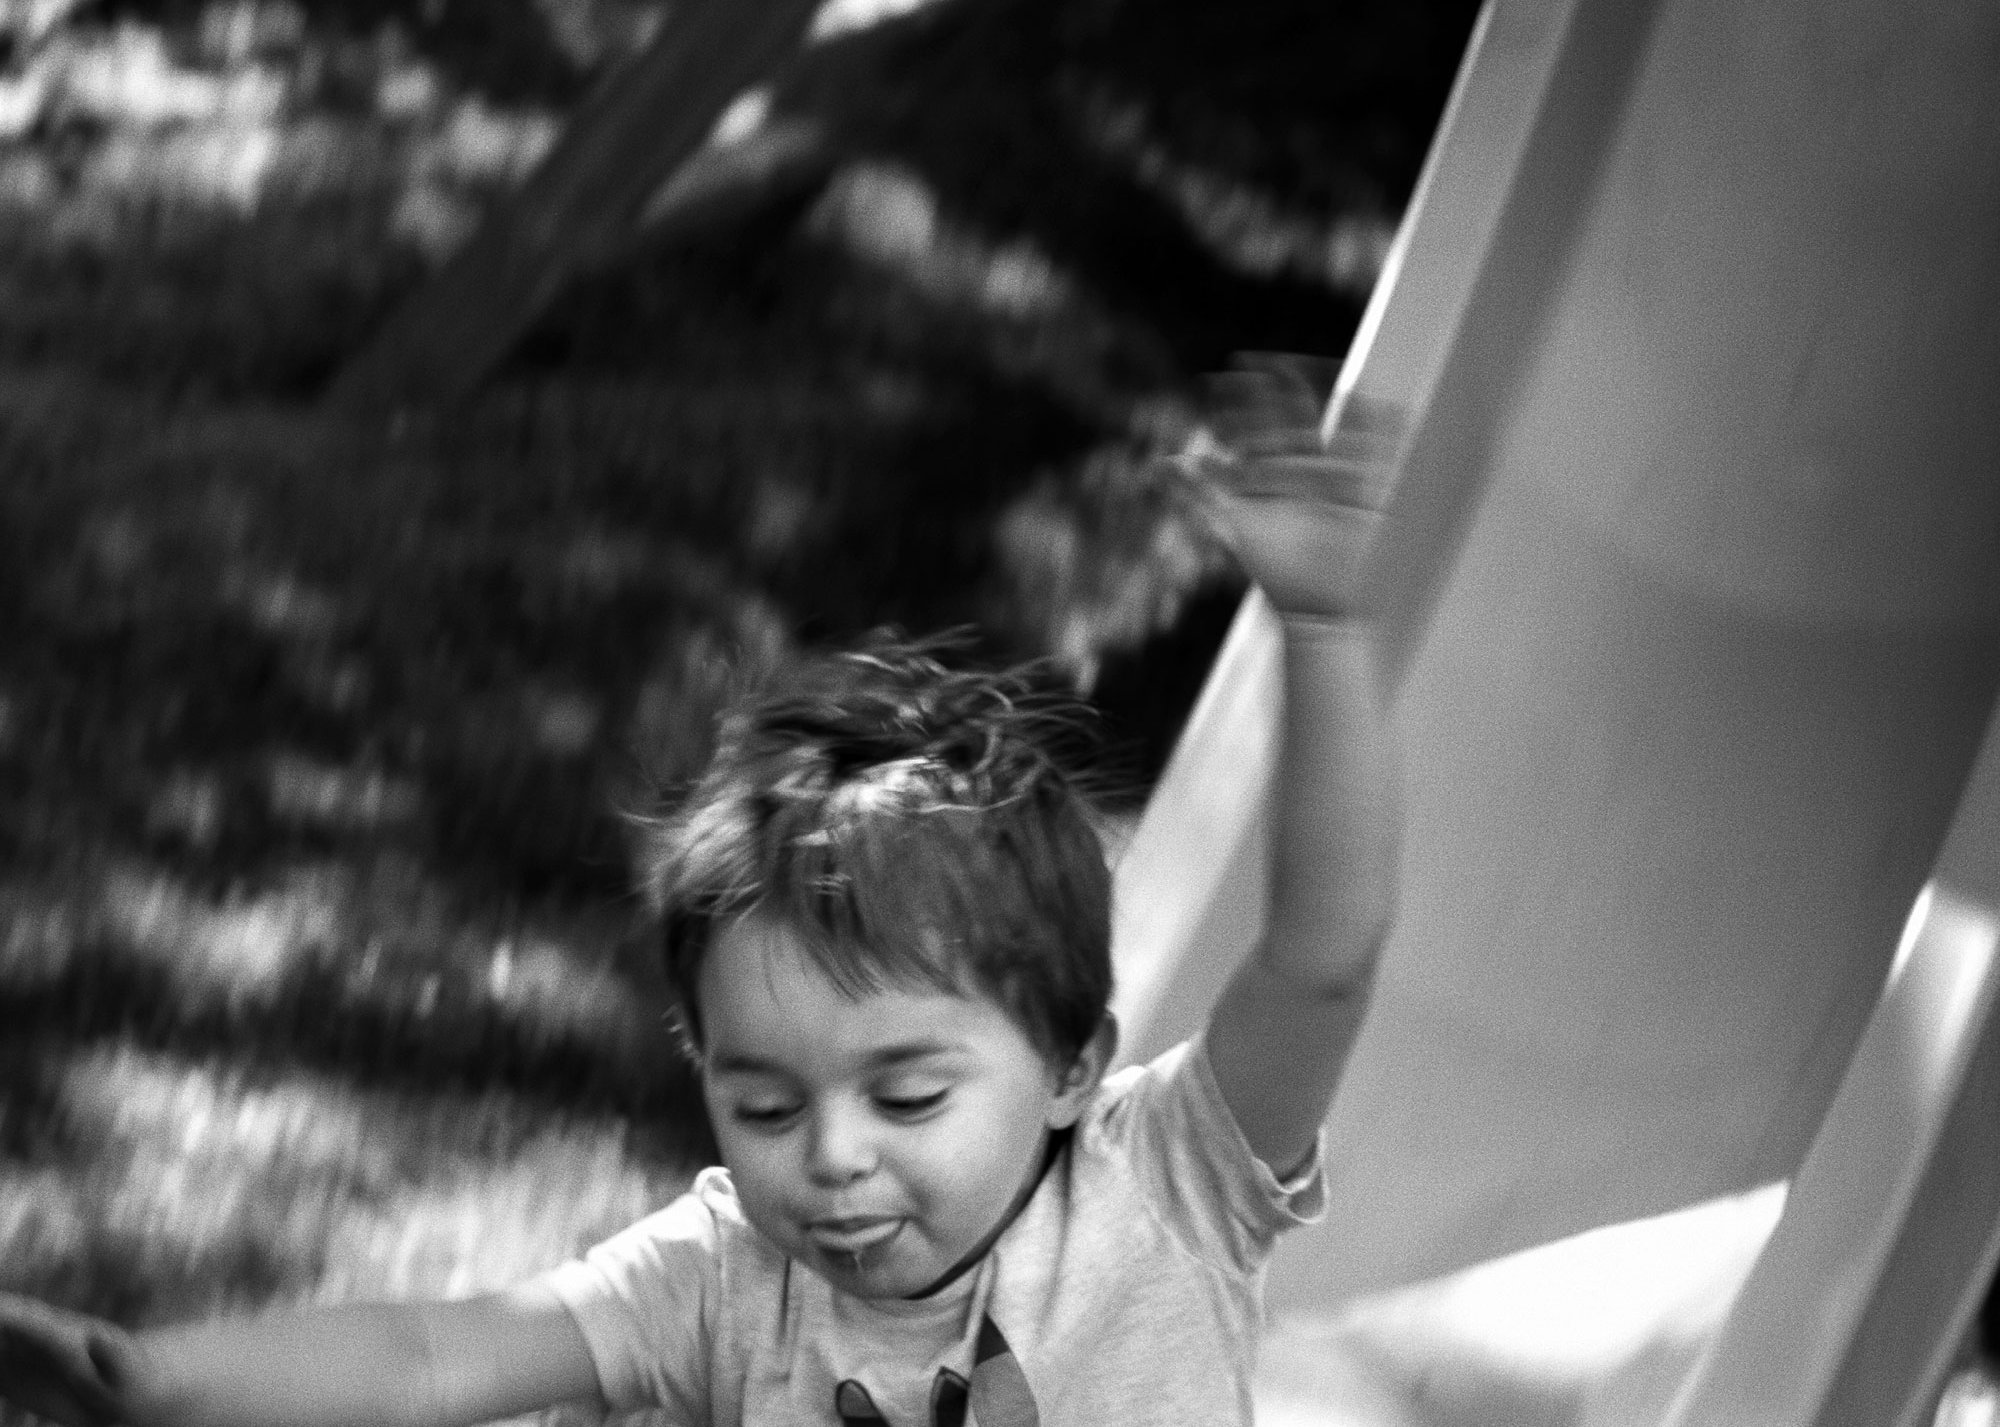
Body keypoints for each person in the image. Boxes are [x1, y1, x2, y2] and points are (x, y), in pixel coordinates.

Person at [0, 364, 1404, 1427]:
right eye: (765, 1105)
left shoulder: (1165, 1184)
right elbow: (442, 1353)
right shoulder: (726, 1276)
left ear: (1071, 1065)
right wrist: (152, 1378)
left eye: (908, 1096)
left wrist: (1326, 629)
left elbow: (1324, 956)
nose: (831, 1158)